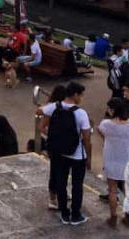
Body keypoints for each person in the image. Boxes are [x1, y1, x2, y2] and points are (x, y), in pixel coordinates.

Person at [40, 81, 92, 226]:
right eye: (81, 95)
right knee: (77, 185)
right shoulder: (81, 113)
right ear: (75, 95)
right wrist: (89, 157)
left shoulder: (54, 107)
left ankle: (64, 213)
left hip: (60, 152)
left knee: (61, 183)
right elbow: (87, 137)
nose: (81, 98)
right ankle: (75, 214)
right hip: (77, 155)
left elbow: (39, 111)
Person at [98, 97, 129, 229]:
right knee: (128, 190)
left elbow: (101, 132)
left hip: (111, 159)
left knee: (112, 190)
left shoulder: (106, 124)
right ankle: (127, 216)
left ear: (113, 110)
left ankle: (113, 216)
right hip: (127, 159)